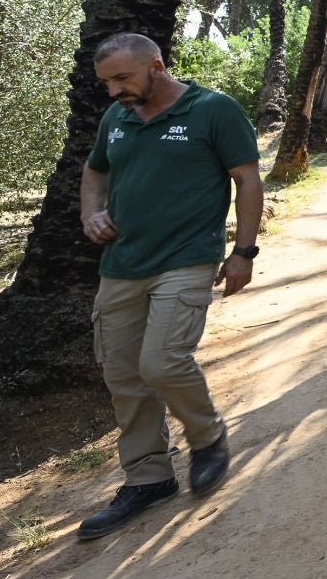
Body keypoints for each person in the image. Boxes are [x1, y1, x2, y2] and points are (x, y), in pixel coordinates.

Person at [75, 33, 262, 540]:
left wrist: (243, 251)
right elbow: (95, 172)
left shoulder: (213, 110)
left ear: (156, 66)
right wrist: (92, 213)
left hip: (186, 258)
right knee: (123, 376)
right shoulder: (117, 118)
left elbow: (247, 179)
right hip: (122, 263)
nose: (113, 91)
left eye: (122, 79)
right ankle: (148, 477)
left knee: (161, 361)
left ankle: (207, 435)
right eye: (107, 82)